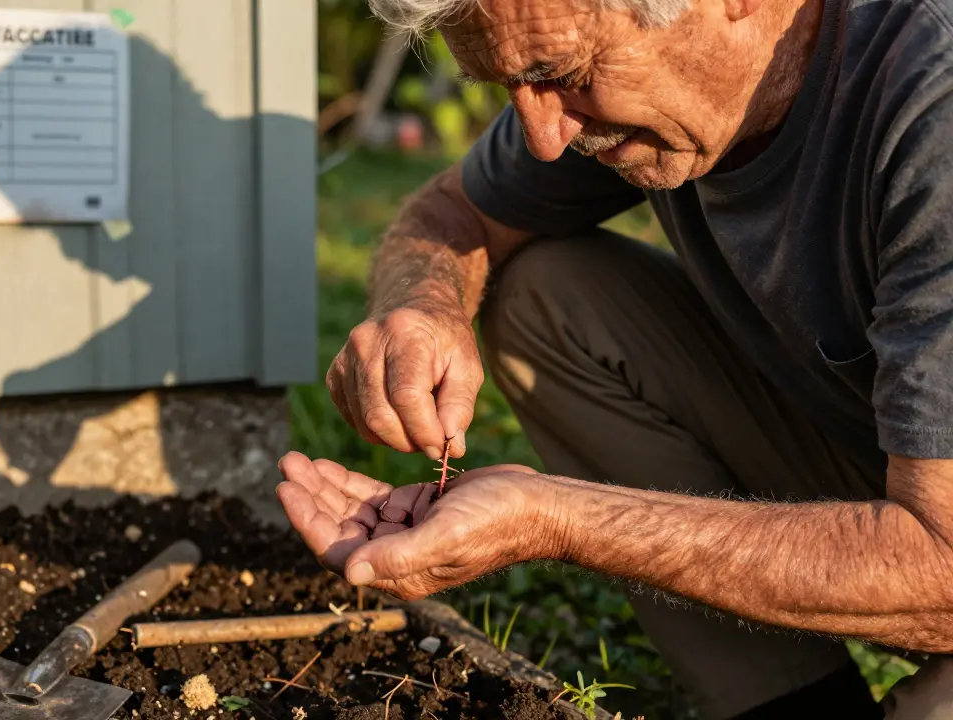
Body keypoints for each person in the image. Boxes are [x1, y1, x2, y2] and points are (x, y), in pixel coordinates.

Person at [273, 0, 953, 717]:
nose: (542, 138)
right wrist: (423, 303)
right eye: (510, 86)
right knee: (544, 296)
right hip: (912, 488)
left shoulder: (930, 106)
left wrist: (556, 518)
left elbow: (943, 567)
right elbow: (454, 214)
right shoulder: (624, 83)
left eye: (561, 74)